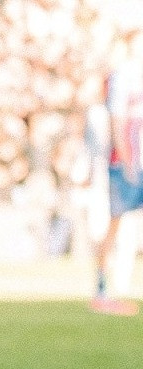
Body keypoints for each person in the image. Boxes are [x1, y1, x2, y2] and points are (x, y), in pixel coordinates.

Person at [89, 28, 143, 316]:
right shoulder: (123, 76)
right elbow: (117, 120)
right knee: (115, 224)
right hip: (126, 163)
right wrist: (125, 159)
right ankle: (102, 289)